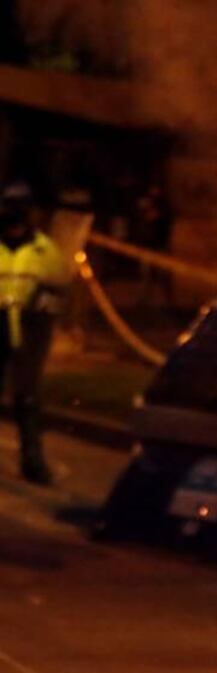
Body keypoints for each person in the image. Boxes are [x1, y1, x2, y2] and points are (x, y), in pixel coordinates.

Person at [0, 181, 67, 485]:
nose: (14, 216)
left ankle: (32, 461)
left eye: (20, 209)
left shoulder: (46, 250)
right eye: (9, 208)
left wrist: (40, 312)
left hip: (30, 329)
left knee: (27, 398)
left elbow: (58, 289)